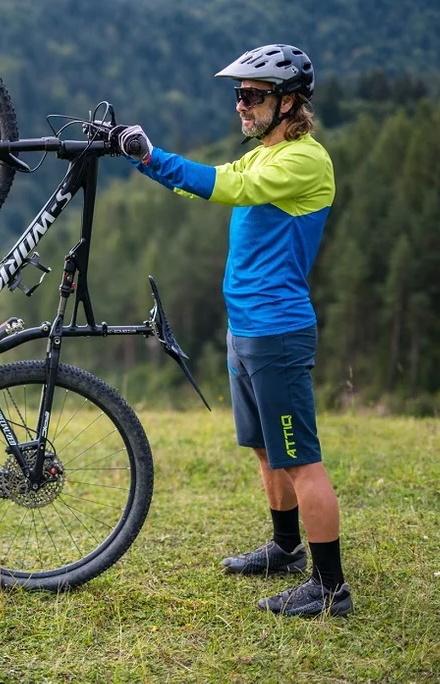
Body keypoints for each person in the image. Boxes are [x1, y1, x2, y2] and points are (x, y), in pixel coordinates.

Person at [112, 44, 352, 617]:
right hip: (245, 327)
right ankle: (286, 547)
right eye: (238, 95)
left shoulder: (303, 160)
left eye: (252, 96)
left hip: (277, 329)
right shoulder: (265, 154)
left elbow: (226, 188)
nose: (240, 105)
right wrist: (143, 159)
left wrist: (152, 153)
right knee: (266, 449)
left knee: (300, 458)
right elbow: (211, 181)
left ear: (288, 102)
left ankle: (330, 587)